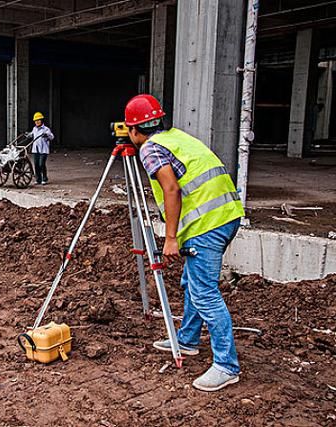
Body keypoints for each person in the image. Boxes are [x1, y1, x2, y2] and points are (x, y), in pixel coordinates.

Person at [124, 94, 245, 392]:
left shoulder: (150, 149)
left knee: (204, 293)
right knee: (192, 282)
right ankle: (188, 340)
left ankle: (226, 366)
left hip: (207, 224)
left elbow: (171, 189)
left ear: (134, 130)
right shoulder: (175, 137)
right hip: (227, 215)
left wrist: (170, 237)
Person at [30, 112, 54, 185]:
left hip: (43, 150)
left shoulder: (46, 129)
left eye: (38, 120)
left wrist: (47, 135)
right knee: (36, 164)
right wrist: (28, 135)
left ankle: (44, 178)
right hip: (35, 150)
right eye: (36, 120)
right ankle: (38, 179)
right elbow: (32, 134)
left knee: (41, 164)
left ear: (41, 120)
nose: (37, 122)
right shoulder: (34, 129)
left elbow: (52, 137)